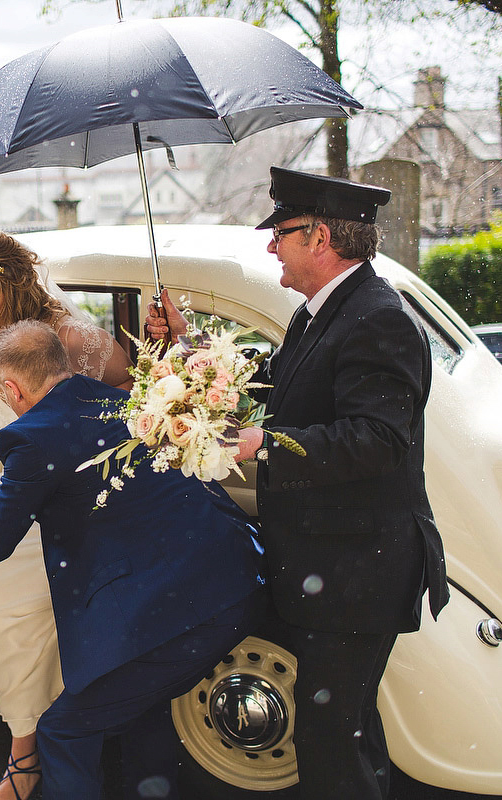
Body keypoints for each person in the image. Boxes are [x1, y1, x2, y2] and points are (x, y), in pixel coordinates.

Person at [146, 166, 449, 800]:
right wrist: (186, 345)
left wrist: (265, 445)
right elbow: (267, 381)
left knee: (331, 738)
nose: (270, 245)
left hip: (357, 571)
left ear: (319, 237)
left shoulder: (377, 319)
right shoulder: (324, 313)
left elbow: (378, 440)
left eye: (279, 232)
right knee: (345, 731)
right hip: (336, 565)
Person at [0, 320, 265, 800]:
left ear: (11, 389)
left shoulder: (30, 439)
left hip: (175, 613)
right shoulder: (121, 402)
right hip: (228, 579)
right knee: (143, 708)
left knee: (63, 731)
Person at [0, 231, 133, 800]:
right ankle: (29, 744)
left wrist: (78, 448)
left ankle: (27, 758)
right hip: (18, 477)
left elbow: (125, 386)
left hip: (66, 492)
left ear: (11, 288)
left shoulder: (65, 334)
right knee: (2, 607)